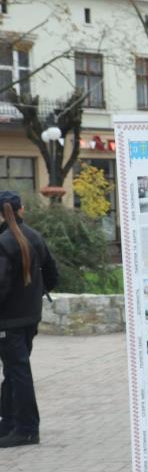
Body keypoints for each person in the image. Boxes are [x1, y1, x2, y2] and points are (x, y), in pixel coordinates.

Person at [0, 191, 58, 447]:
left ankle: (26, 428)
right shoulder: (34, 236)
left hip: (8, 321)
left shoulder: (4, 241)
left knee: (17, 371)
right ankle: (10, 423)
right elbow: (53, 274)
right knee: (15, 371)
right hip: (30, 317)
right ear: (21, 209)